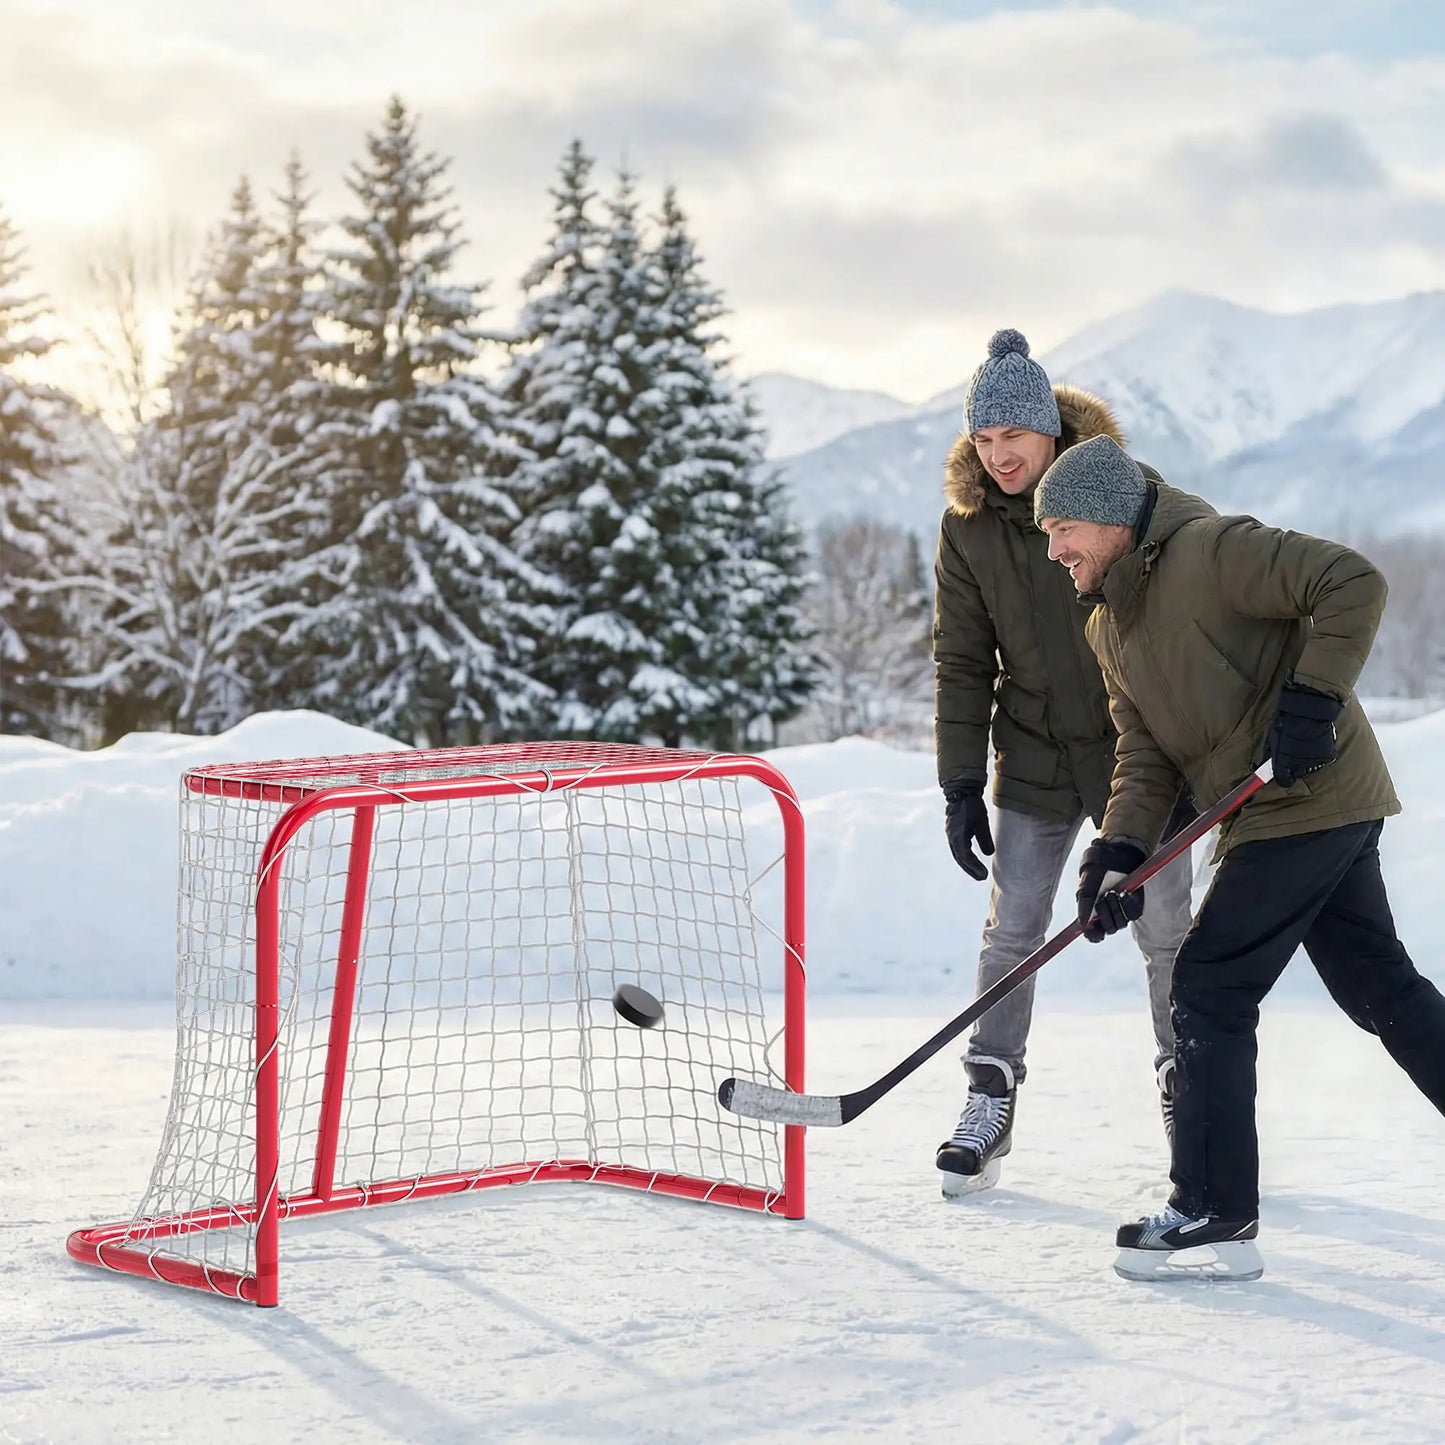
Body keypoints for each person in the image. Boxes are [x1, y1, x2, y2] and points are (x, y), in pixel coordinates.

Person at [1034, 432, 1445, 1280]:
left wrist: (1313, 699)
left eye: (1063, 527)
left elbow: (1349, 580)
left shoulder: (1210, 551)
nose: (1055, 549)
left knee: (1209, 984)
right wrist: (1116, 852)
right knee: (1379, 987)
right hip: (1280, 811)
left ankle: (1212, 1206)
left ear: (1111, 519)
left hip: (1311, 793)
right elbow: (1143, 752)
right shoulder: (1111, 626)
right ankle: (1215, 1204)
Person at [932, 330, 1195, 1198]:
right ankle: (988, 1096)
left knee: (1163, 932)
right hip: (1035, 751)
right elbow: (962, 658)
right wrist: (960, 781)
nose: (1000, 454)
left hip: (1142, 749)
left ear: (1050, 430)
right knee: (1013, 931)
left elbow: (1186, 607)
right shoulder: (965, 528)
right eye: (985, 438)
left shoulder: (1117, 488)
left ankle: (1189, 1092)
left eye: (1015, 435)